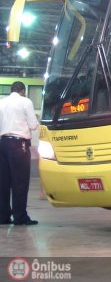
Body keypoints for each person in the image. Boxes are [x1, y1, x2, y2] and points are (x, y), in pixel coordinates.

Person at [0, 81, 40, 225]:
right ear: (23, 91)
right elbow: (33, 125)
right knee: (20, 181)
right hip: (18, 145)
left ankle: (3, 216)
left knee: (3, 182)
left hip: (2, 143)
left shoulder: (1, 102)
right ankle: (20, 217)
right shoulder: (25, 102)